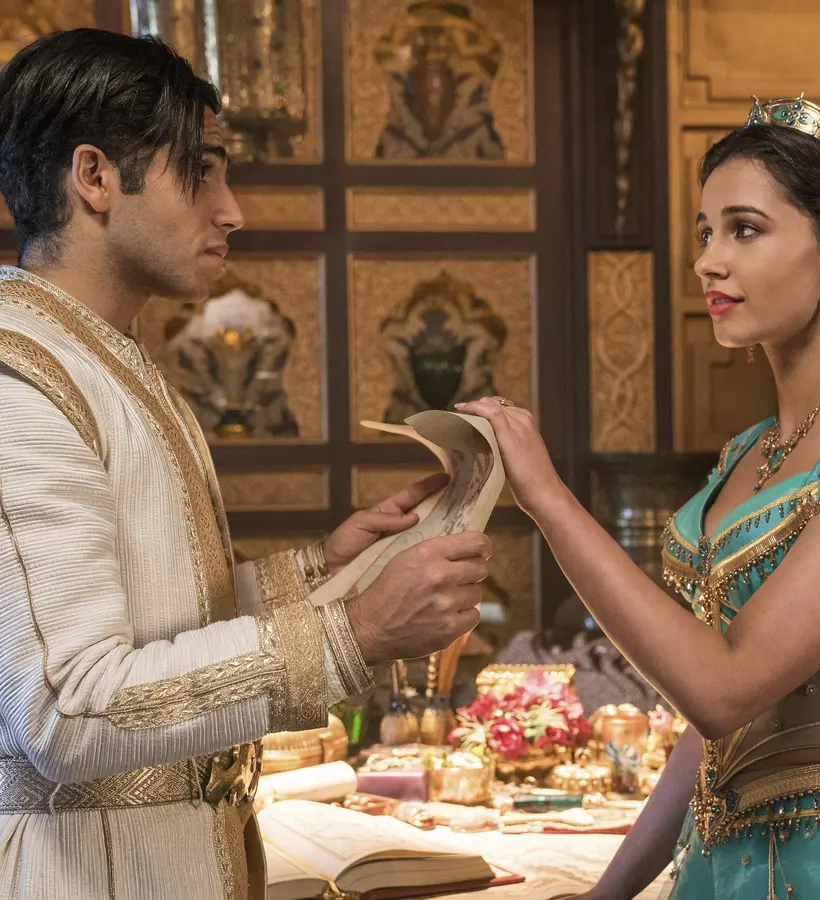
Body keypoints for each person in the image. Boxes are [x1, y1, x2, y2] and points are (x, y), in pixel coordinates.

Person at [459, 95, 820, 899]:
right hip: (728, 862)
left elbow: (723, 689)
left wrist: (546, 499)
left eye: (745, 230)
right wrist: (608, 895)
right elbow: (712, 736)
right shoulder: (747, 453)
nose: (708, 262)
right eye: (706, 233)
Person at [0, 29, 489, 900]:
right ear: (95, 177)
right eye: (202, 173)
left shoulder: (106, 360)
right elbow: (69, 706)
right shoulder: (22, 381)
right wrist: (353, 633)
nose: (231, 211)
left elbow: (151, 624)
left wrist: (321, 575)